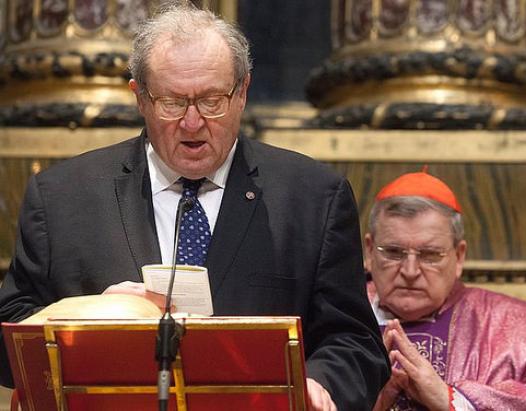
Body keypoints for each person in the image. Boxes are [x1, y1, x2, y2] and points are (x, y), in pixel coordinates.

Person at [0, 3, 389, 410]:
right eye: (171, 102)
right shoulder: (63, 198)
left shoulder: (312, 199)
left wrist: (320, 384)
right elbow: (11, 336)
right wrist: (90, 315)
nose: (192, 121)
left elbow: (355, 341)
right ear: (140, 98)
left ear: (242, 92)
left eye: (211, 100)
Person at [364, 171, 526, 411]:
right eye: (393, 252)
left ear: (459, 256)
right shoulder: (331, 320)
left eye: (430, 255)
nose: (410, 271)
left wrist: (451, 400)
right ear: (369, 252)